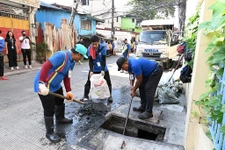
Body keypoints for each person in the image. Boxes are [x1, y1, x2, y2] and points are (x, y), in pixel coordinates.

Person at [34, 44, 88, 143]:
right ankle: (49, 132)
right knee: (49, 109)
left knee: (60, 101)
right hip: (45, 85)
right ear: (78, 54)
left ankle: (60, 118)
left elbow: (67, 76)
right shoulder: (61, 56)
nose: (81, 58)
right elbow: (46, 66)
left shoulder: (72, 62)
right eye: (81, 56)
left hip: (55, 85)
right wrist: (41, 83)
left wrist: (69, 91)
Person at [81, 35, 113, 102]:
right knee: (88, 82)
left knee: (108, 82)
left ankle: (110, 96)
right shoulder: (90, 49)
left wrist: (103, 70)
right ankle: (85, 96)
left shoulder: (103, 48)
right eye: (93, 44)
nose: (94, 46)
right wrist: (91, 70)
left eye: (96, 44)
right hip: (94, 68)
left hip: (103, 68)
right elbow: (90, 61)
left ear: (98, 42)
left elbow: (104, 60)